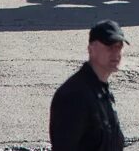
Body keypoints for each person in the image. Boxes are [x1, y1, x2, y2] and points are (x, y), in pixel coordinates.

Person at [48, 20, 127, 151]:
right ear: (91, 49)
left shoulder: (102, 90)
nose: (116, 53)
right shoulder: (73, 96)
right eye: (109, 47)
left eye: (119, 47)